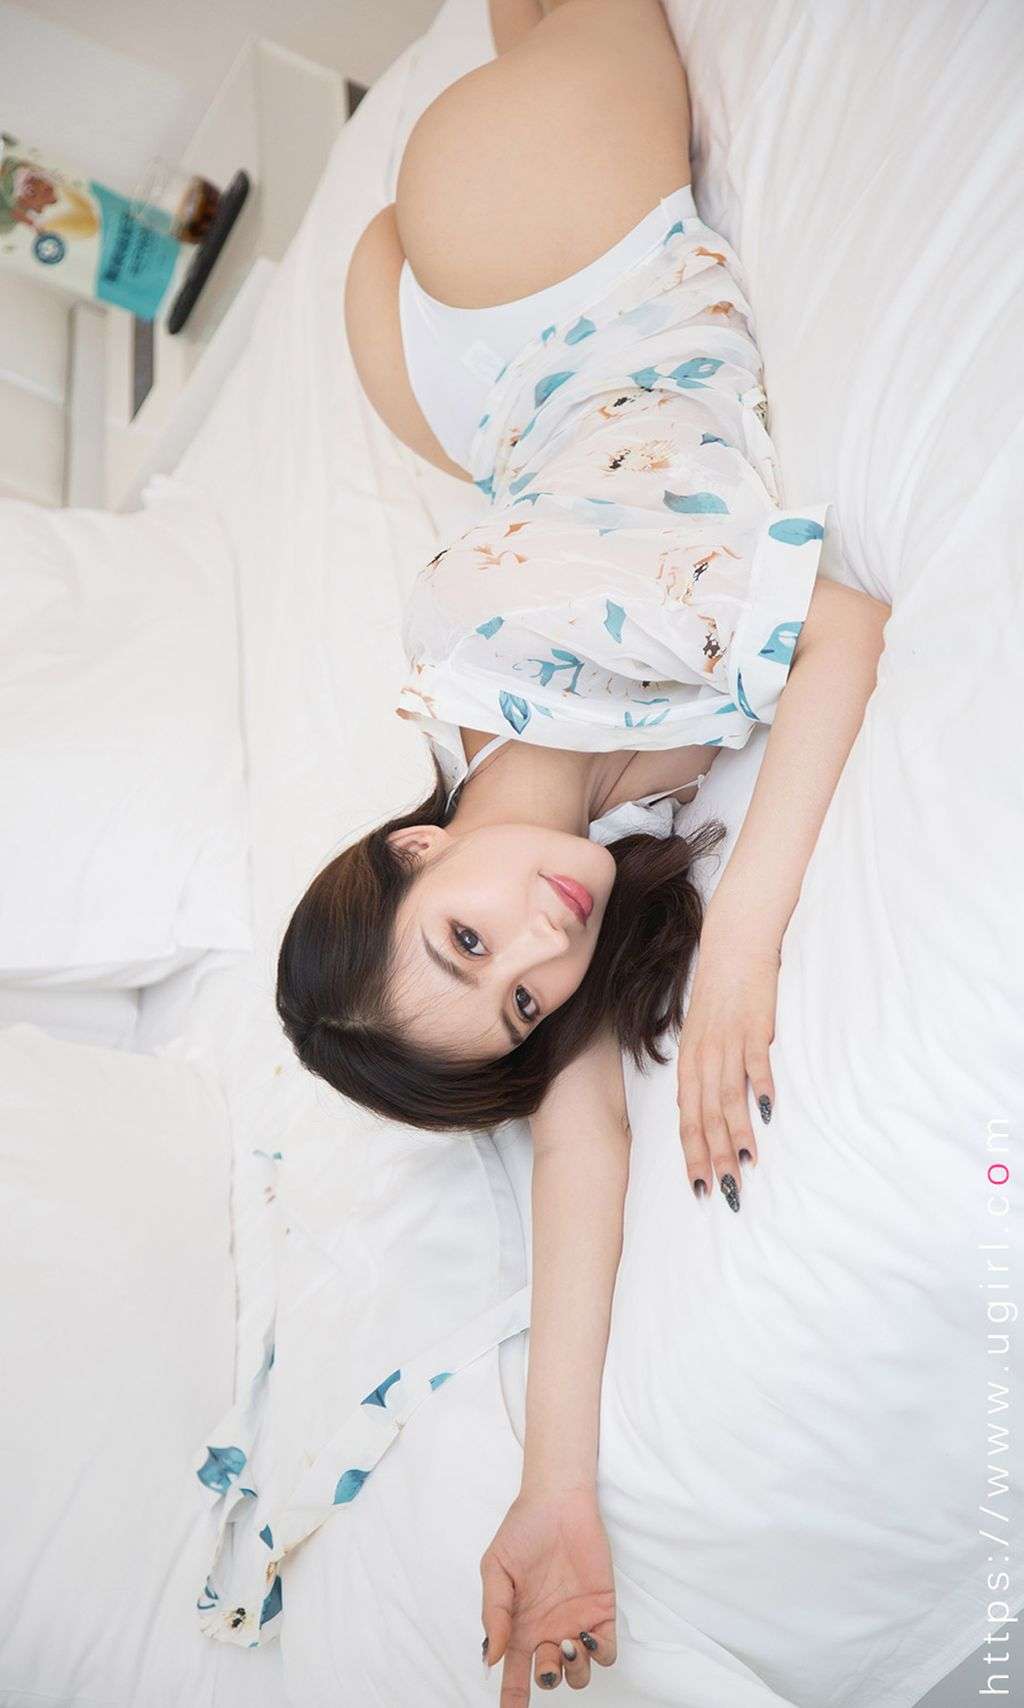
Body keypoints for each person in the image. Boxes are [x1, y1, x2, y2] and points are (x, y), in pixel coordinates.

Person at [278, 1, 890, 1699]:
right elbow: (577, 1158)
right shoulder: (555, 833)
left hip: (545, 251)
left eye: (468, 944)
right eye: (527, 1004)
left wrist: (745, 937)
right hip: (467, 396)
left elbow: (843, 625)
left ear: (413, 851)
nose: (545, 954)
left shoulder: (578, 642)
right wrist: (558, 1490)